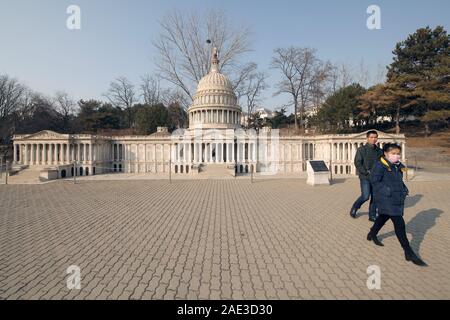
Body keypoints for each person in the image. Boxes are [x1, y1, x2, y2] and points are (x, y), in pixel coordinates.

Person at [367, 143, 427, 267]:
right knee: (399, 223)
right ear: (385, 154)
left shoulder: (397, 166)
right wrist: (387, 191)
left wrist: (404, 188)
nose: (396, 156)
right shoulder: (380, 165)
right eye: (393, 153)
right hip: (386, 198)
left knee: (383, 216)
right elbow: (374, 181)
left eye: (398, 153)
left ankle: (372, 233)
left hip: (397, 197)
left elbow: (398, 180)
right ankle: (408, 251)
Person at [350, 130, 383, 221]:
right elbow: (357, 162)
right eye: (371, 137)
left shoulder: (379, 151)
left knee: (375, 196)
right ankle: (355, 207)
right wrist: (366, 172)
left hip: (377, 177)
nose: (373, 139)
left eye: (375, 137)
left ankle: (372, 215)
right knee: (365, 196)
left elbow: (382, 163)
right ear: (367, 138)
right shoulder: (361, 150)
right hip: (365, 177)